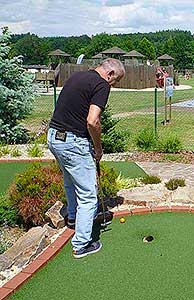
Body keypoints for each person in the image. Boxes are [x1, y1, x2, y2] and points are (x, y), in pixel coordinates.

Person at [47, 58, 125, 258]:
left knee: (70, 181)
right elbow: (92, 121)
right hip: (73, 142)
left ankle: (73, 218)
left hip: (54, 136)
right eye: (115, 82)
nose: (113, 86)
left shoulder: (78, 76)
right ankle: (81, 245)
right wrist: (98, 148)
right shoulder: (101, 84)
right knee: (89, 194)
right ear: (110, 75)